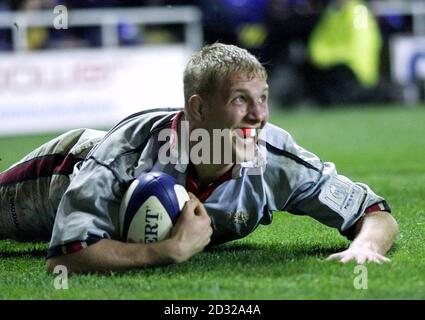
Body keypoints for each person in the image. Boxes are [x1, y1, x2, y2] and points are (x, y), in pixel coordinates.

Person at [0, 43, 397, 273]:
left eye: (263, 99)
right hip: (62, 172)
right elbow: (65, 257)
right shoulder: (127, 152)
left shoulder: (274, 158)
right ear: (199, 109)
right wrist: (164, 252)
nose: (259, 117)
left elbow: (373, 210)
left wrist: (367, 248)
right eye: (240, 100)